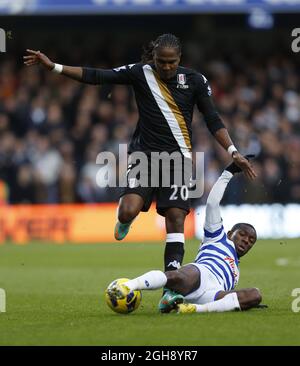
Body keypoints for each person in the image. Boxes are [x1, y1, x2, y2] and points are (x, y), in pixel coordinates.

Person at [23, 34, 256, 275]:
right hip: (144, 157)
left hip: (178, 160)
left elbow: (213, 119)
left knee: (176, 218)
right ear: (153, 57)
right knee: (128, 210)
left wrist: (233, 151)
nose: (166, 67)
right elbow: (98, 76)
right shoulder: (140, 72)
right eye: (161, 61)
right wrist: (54, 67)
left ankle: (172, 281)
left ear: (180, 59)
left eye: (171, 62)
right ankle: (126, 220)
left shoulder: (195, 80)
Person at [107, 157, 263, 314]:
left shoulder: (236, 270)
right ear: (230, 233)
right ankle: (129, 286)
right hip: (200, 275)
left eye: (251, 241)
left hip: (214, 293)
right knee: (179, 276)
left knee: (255, 295)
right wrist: (229, 171)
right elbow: (212, 203)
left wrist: (243, 301)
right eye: (242, 234)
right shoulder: (217, 237)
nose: (246, 241)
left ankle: (193, 308)